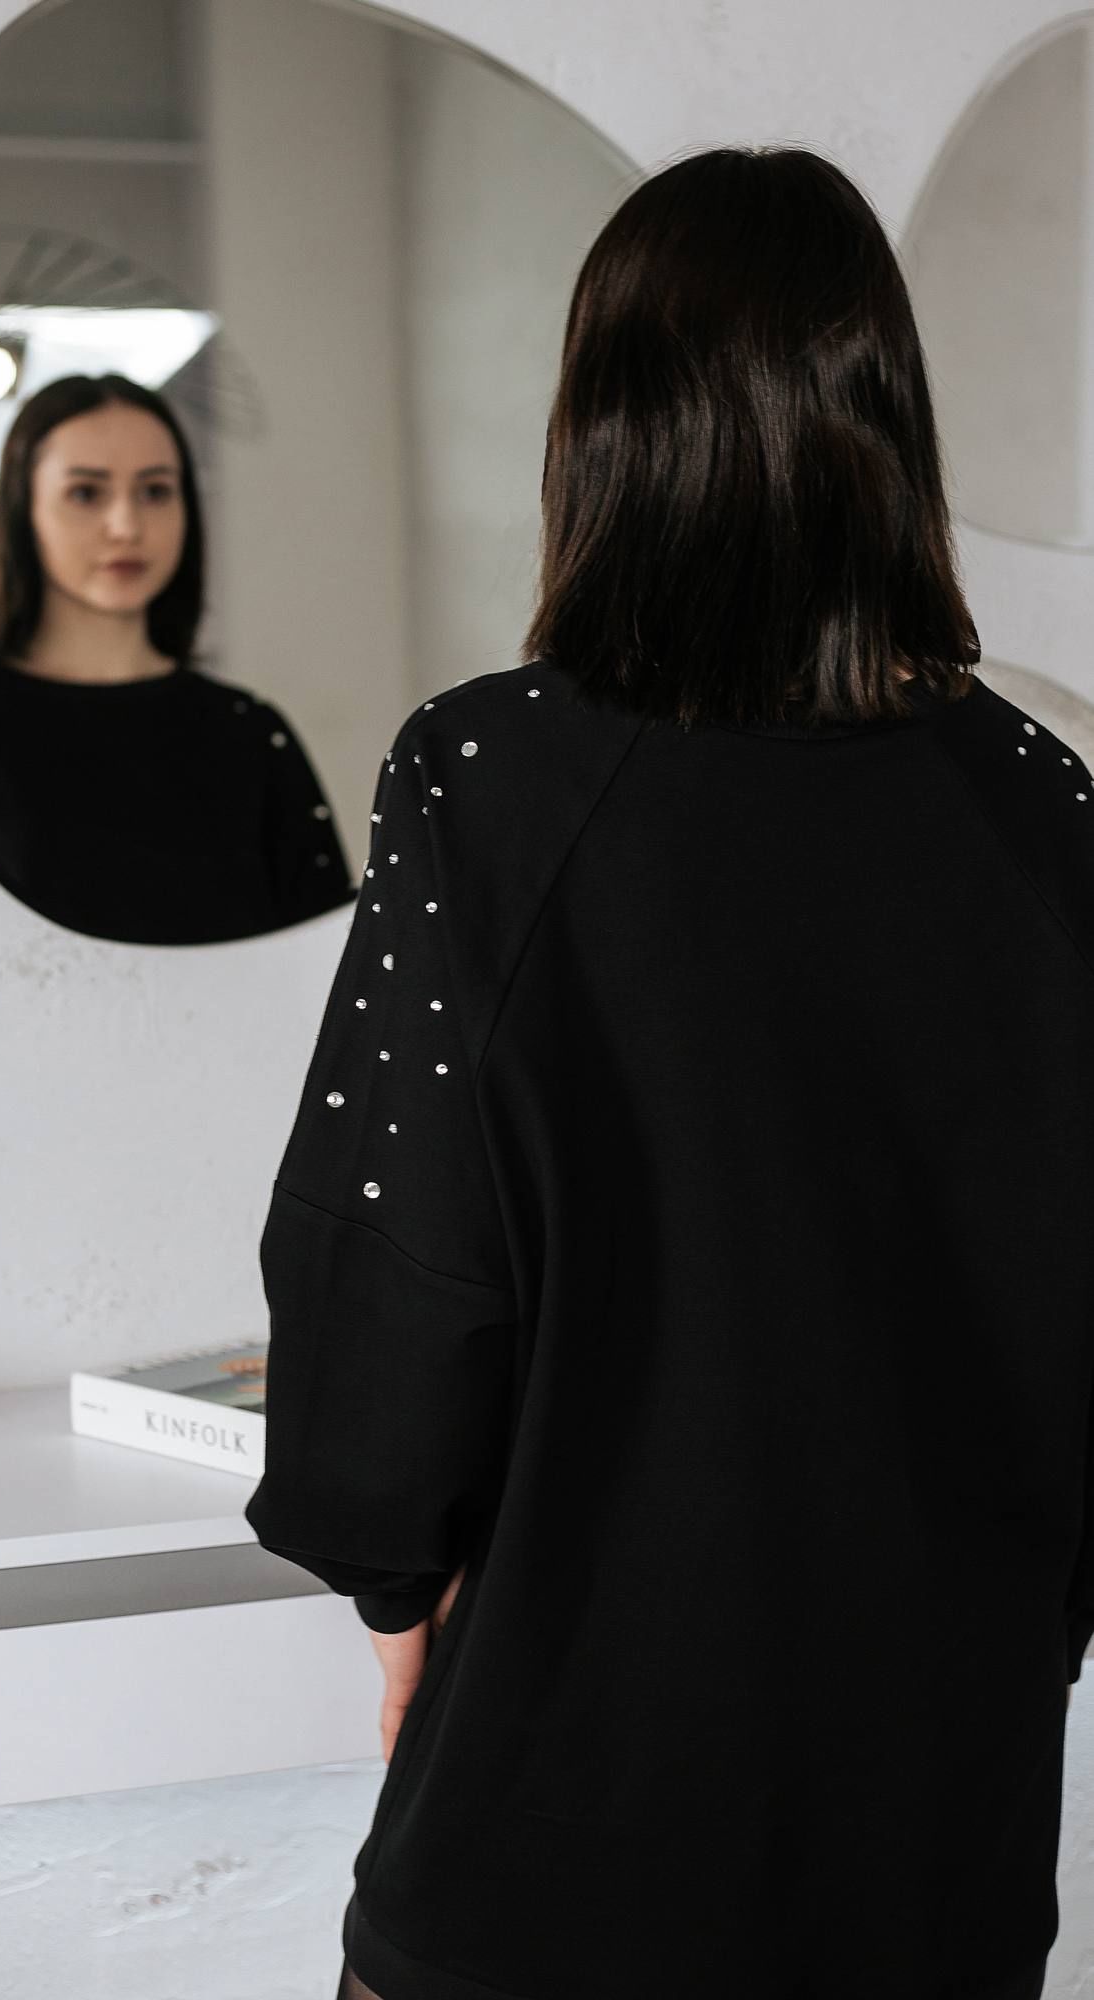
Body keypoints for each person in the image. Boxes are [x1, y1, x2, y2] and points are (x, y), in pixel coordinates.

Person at [243, 144, 1094, 2000]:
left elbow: (396, 1279)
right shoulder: (1043, 816)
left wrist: (390, 1588)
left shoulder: (484, 784)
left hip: (553, 1841)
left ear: (603, 432)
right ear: (887, 426)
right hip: (932, 1854)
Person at [0, 373, 354, 945]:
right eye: (86, 493)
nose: (126, 526)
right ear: (23, 510)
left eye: (155, 491)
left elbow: (327, 967)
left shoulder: (249, 736)